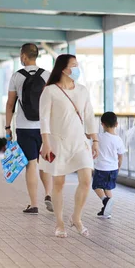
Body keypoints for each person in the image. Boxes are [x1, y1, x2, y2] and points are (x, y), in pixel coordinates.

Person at [39, 54, 99, 238]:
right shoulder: (50, 91)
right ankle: (59, 223)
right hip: (58, 143)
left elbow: (89, 115)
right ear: (64, 69)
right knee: (59, 183)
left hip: (80, 142)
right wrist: (46, 143)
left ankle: (76, 218)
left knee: (86, 179)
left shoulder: (82, 90)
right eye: (74, 65)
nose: (77, 68)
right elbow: (44, 118)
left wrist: (95, 140)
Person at [5, 43, 53, 215]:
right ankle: (48, 194)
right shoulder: (47, 75)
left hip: (25, 127)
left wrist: (7, 127)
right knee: (45, 162)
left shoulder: (17, 77)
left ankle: (34, 204)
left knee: (31, 164)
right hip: (45, 127)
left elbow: (10, 104)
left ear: (24, 56)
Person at [93, 111, 125, 219]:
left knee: (96, 186)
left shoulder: (99, 137)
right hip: (114, 168)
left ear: (102, 124)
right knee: (108, 188)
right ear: (116, 124)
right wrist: (119, 167)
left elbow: (90, 136)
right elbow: (120, 156)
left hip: (102, 167)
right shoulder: (119, 140)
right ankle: (107, 212)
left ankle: (105, 201)